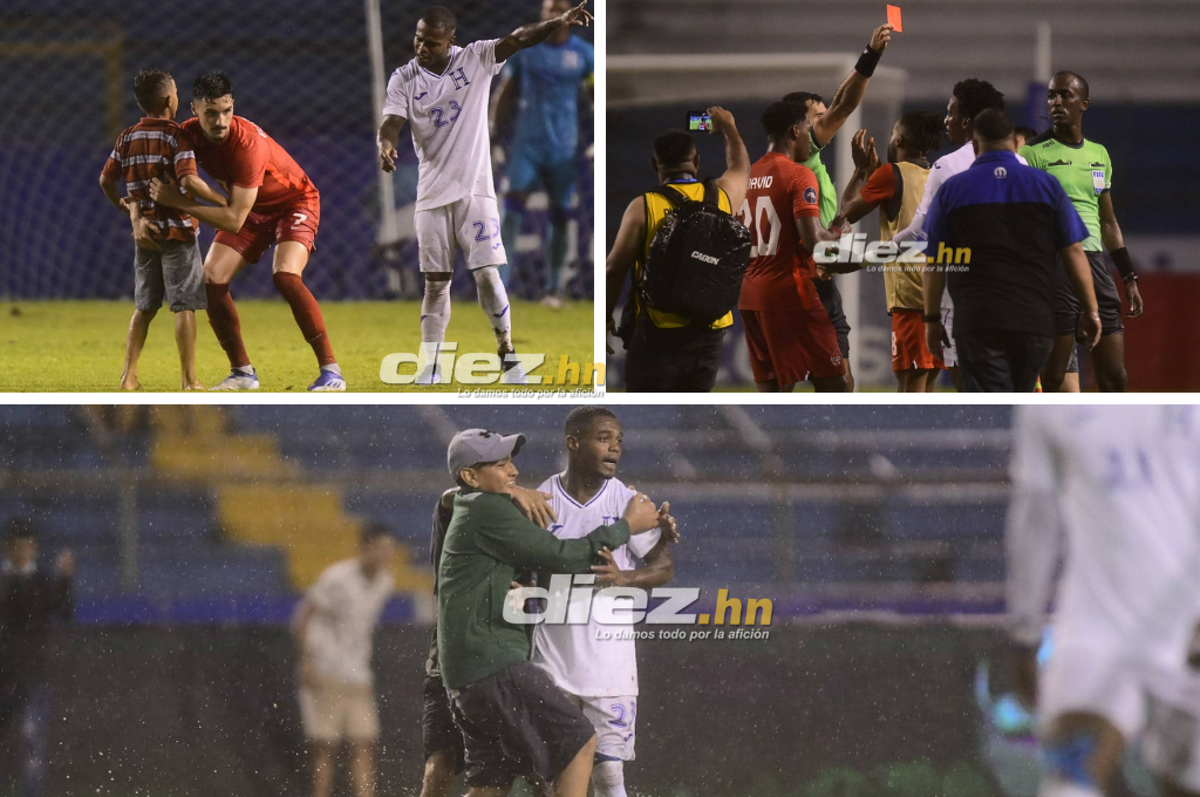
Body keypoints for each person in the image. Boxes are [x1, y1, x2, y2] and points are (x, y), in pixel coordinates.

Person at [437, 428, 661, 797]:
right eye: (500, 464)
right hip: (493, 664)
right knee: (580, 742)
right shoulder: (490, 509)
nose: (513, 471)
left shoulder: (470, 504)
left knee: (489, 787)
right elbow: (564, 556)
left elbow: (451, 497)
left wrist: (512, 491)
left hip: (464, 675)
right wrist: (627, 527)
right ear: (470, 476)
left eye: (511, 462)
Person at [378, 4, 593, 386]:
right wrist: (386, 144)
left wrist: (558, 22)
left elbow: (518, 38)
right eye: (418, 39)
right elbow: (392, 122)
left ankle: (507, 355)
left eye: (431, 42)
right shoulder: (404, 77)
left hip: (475, 192)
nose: (422, 47)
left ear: (451, 41)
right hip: (431, 196)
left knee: (488, 276)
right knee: (435, 283)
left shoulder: (476, 58)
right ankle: (432, 366)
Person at [1006, 405, 1200, 797]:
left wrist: (1025, 632)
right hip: (1155, 628)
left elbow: (1036, 515)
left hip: (1101, 629)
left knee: (1073, 778)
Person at [148, 71, 344, 392]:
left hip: (293, 203)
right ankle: (242, 373)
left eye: (226, 111)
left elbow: (233, 220)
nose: (220, 121)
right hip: (249, 209)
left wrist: (179, 203)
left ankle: (331, 372)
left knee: (285, 275)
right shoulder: (187, 135)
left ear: (233, 106)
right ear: (194, 110)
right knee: (210, 280)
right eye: (211, 113)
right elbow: (174, 176)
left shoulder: (247, 145)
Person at [531, 407, 678, 797]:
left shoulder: (629, 502)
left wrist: (624, 578)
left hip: (610, 664)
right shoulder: (542, 500)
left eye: (618, 440)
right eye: (603, 438)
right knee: (552, 776)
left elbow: (663, 566)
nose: (615, 448)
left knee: (609, 774)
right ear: (573, 443)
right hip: (552, 662)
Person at [921, 109, 1101, 392]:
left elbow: (935, 262)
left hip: (977, 321)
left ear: (975, 145)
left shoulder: (953, 190)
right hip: (1034, 321)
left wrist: (931, 320)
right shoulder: (1046, 186)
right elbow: (1074, 251)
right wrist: (1091, 310)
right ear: (1016, 142)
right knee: (1019, 401)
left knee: (990, 407)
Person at [420, 472, 558, 797]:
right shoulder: (462, 524)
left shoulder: (518, 548)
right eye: (502, 464)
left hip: (495, 671)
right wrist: (508, 493)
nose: (512, 471)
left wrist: (530, 596)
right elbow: (447, 500)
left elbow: (543, 602)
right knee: (443, 765)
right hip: (457, 668)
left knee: (514, 777)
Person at [780, 21, 895, 391]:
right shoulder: (799, 156)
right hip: (804, 282)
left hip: (813, 281)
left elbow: (839, 217)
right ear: (796, 127)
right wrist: (871, 54)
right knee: (833, 386)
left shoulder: (809, 166)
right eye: (818, 116)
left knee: (828, 384)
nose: (825, 120)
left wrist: (860, 173)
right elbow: (845, 104)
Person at [99, 68, 228, 392]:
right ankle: (189, 380)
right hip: (178, 233)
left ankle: (128, 377)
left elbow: (105, 180)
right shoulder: (176, 136)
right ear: (171, 100)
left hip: (145, 235)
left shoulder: (127, 137)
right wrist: (223, 200)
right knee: (185, 306)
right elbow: (189, 181)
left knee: (144, 307)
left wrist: (124, 205)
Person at [605, 111, 751, 391]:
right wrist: (729, 128)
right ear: (696, 162)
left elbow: (614, 268)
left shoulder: (643, 207)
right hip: (709, 333)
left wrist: (605, 316)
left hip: (658, 331)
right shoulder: (721, 197)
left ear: (654, 165)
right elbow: (741, 169)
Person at [892, 78, 1023, 390]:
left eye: (951, 112)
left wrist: (869, 253)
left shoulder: (947, 167)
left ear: (967, 122)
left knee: (972, 395)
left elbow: (921, 235)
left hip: (965, 301)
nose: (945, 120)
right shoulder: (1021, 163)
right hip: (1016, 298)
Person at [1019, 71, 1143, 393]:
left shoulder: (1099, 154)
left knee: (1115, 377)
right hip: (1056, 265)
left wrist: (1129, 277)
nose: (1056, 101)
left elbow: (1108, 222)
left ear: (1084, 104)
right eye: (1051, 95)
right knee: (1055, 376)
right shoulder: (1032, 153)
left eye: (1065, 95)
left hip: (1096, 266)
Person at [738, 102, 848, 392]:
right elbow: (814, 241)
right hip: (790, 294)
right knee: (837, 388)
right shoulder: (798, 175)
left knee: (773, 391)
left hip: (750, 296)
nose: (811, 137)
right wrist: (838, 229)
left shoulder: (745, 176)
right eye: (808, 129)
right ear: (795, 131)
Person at [490, 0, 594, 305]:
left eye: (559, 7)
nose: (553, 12)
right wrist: (493, 133)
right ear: (542, 14)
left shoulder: (584, 54)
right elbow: (505, 92)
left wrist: (596, 136)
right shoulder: (526, 51)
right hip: (527, 146)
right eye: (549, 8)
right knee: (511, 210)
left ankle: (554, 287)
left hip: (563, 147)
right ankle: (499, 287)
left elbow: (594, 95)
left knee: (560, 215)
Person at [834, 112, 943, 391]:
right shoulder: (937, 175)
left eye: (893, 132)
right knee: (928, 390)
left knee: (909, 392)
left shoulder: (892, 174)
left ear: (899, 139)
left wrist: (860, 170)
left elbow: (846, 213)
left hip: (912, 300)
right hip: (940, 298)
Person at [291, 524, 396, 797]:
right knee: (325, 746)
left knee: (365, 743)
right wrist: (307, 662)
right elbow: (303, 617)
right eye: (382, 548)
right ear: (366, 547)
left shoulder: (385, 582)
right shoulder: (337, 577)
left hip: (359, 673)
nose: (387, 555)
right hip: (327, 669)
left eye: (390, 549)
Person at [0, 519, 75, 797]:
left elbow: (64, 611)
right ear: (8, 548)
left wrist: (65, 579)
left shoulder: (42, 582)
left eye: (28, 546)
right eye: (18, 546)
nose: (23, 552)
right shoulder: (4, 582)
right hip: (5, 673)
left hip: (31, 674)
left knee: (31, 739)